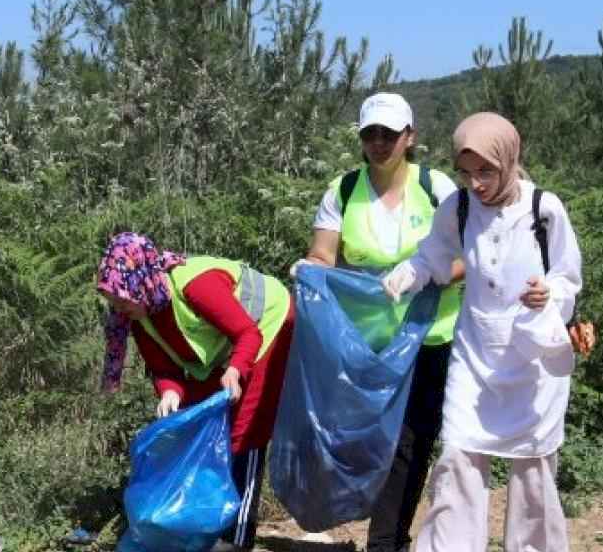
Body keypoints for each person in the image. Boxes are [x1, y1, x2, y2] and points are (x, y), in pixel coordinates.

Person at [381, 112, 583, 551]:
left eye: (486, 171)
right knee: (457, 457)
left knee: (533, 469)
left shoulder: (542, 209)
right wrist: (406, 275)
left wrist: (548, 293)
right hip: (475, 355)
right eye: (466, 172)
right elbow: (431, 256)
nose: (476, 183)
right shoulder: (460, 207)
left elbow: (569, 277)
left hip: (532, 361)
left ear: (509, 161)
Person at [299, 92, 463, 552]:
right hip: (368, 343)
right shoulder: (344, 190)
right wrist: (310, 267)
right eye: (369, 133)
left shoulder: (437, 189)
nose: (378, 143)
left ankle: (386, 541)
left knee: (411, 442)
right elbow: (324, 253)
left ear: (409, 137)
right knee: (369, 441)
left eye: (389, 134)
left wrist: (426, 277)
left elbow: (471, 256)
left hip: (431, 339)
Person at [97, 232, 295, 552]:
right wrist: (169, 392)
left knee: (244, 433)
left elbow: (248, 332)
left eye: (122, 297)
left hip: (267, 327)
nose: (118, 306)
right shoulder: (141, 314)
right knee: (197, 429)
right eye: (113, 299)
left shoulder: (196, 285)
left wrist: (236, 369)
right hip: (225, 348)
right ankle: (203, 525)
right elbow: (164, 369)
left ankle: (237, 538)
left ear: (142, 281)